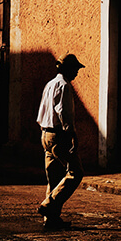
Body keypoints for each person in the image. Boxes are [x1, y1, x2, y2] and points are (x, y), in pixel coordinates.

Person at [36, 54, 85, 230]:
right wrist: (71, 134)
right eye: (75, 70)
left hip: (46, 134)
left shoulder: (50, 84)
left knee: (54, 177)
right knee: (75, 172)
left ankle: (51, 220)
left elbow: (42, 110)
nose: (77, 73)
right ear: (68, 69)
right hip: (59, 135)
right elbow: (64, 112)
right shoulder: (64, 86)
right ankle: (48, 206)